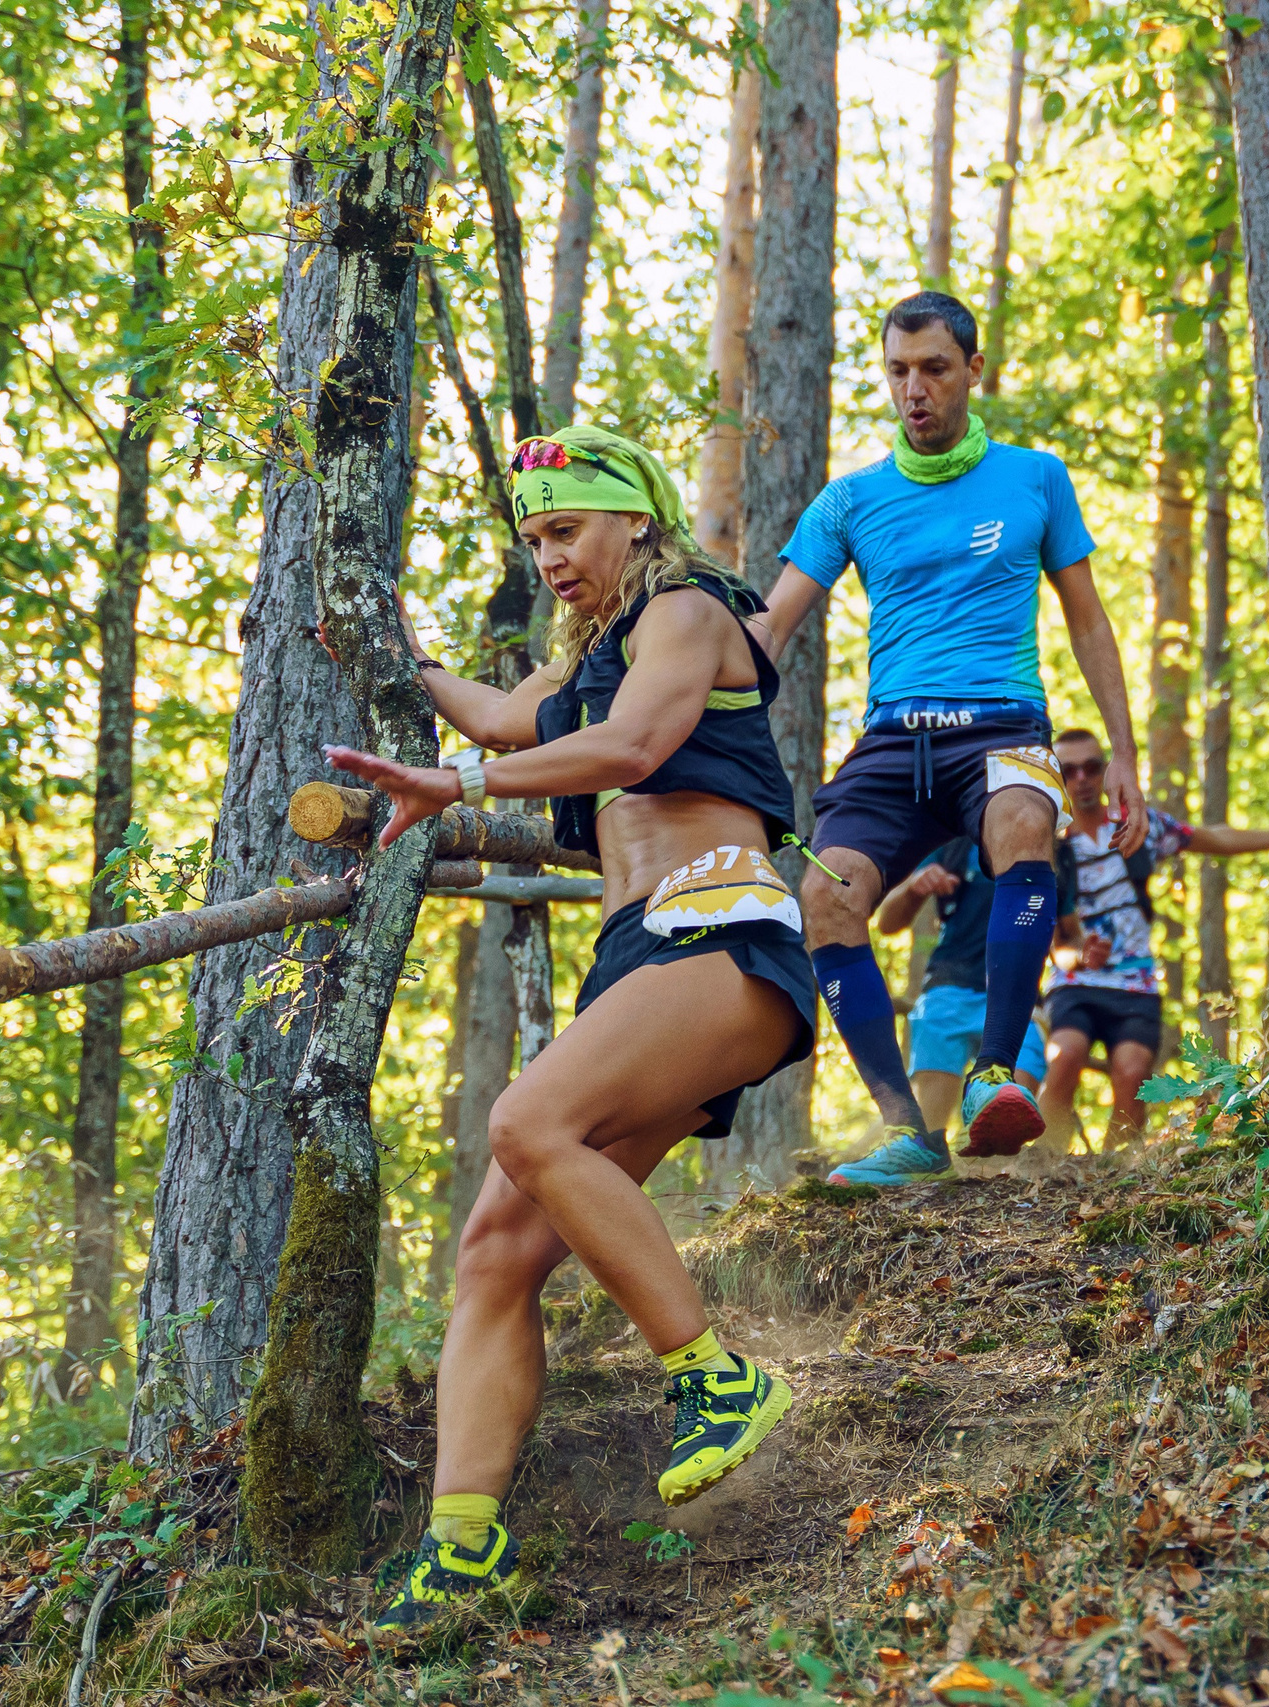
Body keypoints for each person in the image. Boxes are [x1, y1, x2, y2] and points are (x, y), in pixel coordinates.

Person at [325, 425, 815, 1631]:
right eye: (532, 538)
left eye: (565, 531)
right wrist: (389, 650)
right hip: (636, 959)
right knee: (497, 1250)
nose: (547, 556)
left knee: (526, 1119)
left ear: (632, 521)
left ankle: (719, 1380)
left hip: (717, 934)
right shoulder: (592, 656)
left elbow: (636, 747)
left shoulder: (691, 614)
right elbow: (502, 717)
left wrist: (462, 790)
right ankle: (462, 1550)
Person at [751, 290, 1147, 1187]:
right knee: (825, 895)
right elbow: (770, 631)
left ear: (974, 369)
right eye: (897, 370)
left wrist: (1123, 753)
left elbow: (1087, 620)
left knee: (1019, 824)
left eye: (933, 367)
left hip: (1002, 723)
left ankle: (996, 1075)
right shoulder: (848, 500)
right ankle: (907, 1131)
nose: (913, 388)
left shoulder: (1035, 477)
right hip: (893, 740)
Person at [1039, 727, 1269, 1148]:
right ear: (1057, 779)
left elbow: (1214, 839)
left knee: (1133, 1074)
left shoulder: (1141, 825)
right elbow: (1057, 948)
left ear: (1105, 771)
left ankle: (1115, 1174)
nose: (1081, 778)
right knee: (1065, 1057)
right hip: (1075, 984)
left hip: (1136, 983)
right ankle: (1042, 1165)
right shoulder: (1048, 846)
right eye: (1069, 770)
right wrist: (1081, 956)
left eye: (1092, 766)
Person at [853, 841, 1046, 1160]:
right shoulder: (951, 840)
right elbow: (887, 922)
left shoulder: (1050, 843)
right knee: (931, 1126)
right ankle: (914, 1171)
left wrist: (1083, 954)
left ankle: (998, 1182)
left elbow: (1069, 934)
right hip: (948, 986)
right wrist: (915, 887)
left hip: (1018, 994)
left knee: (1013, 1106)